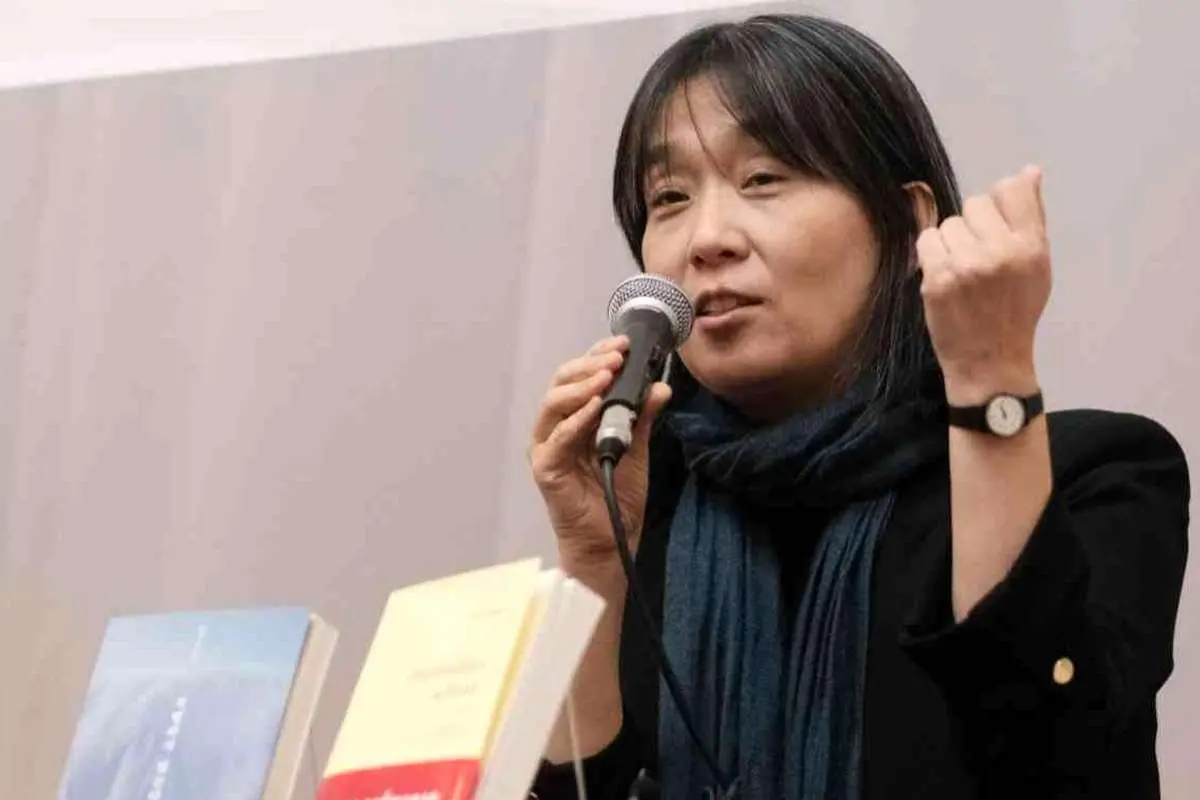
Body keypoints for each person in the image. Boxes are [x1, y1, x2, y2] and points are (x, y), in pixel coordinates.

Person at [526, 13, 1189, 800]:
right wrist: (595, 561)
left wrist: (991, 376)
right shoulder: (646, 502)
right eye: (669, 197)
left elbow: (1060, 761)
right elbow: (579, 789)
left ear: (908, 222)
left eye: (762, 179)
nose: (706, 239)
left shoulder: (1094, 473)